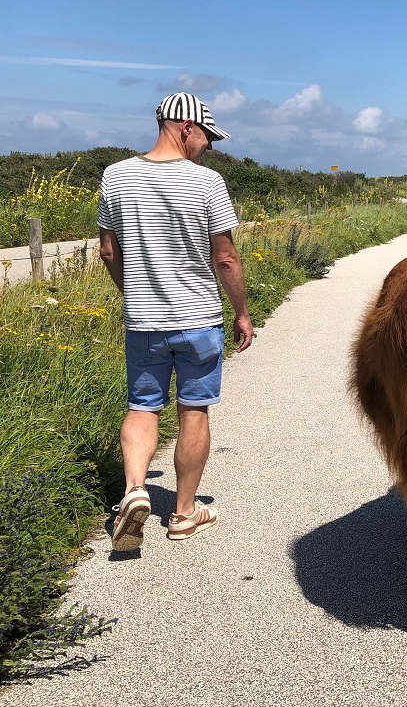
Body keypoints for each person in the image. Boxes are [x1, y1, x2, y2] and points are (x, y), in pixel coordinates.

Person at [98, 93, 254, 551]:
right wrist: (242, 312)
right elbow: (224, 257)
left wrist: (135, 292)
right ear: (185, 126)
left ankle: (135, 491)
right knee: (193, 410)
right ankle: (183, 515)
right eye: (207, 135)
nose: (209, 146)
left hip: (144, 320)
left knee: (143, 406)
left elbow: (109, 251)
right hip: (199, 319)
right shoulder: (207, 183)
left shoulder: (115, 176)